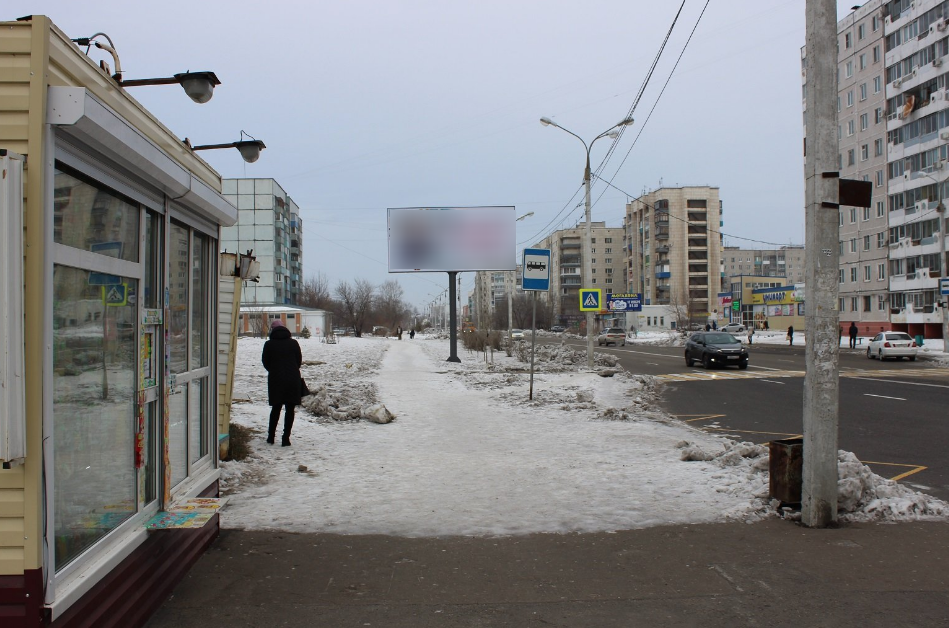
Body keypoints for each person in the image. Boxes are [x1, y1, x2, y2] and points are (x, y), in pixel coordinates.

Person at [262, 320, 302, 446]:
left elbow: (265, 362)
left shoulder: (269, 344)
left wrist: (274, 371)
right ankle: (286, 438)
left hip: (276, 380)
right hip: (292, 379)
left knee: (276, 408)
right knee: (290, 409)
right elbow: (298, 361)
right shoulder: (294, 343)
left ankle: (271, 437)